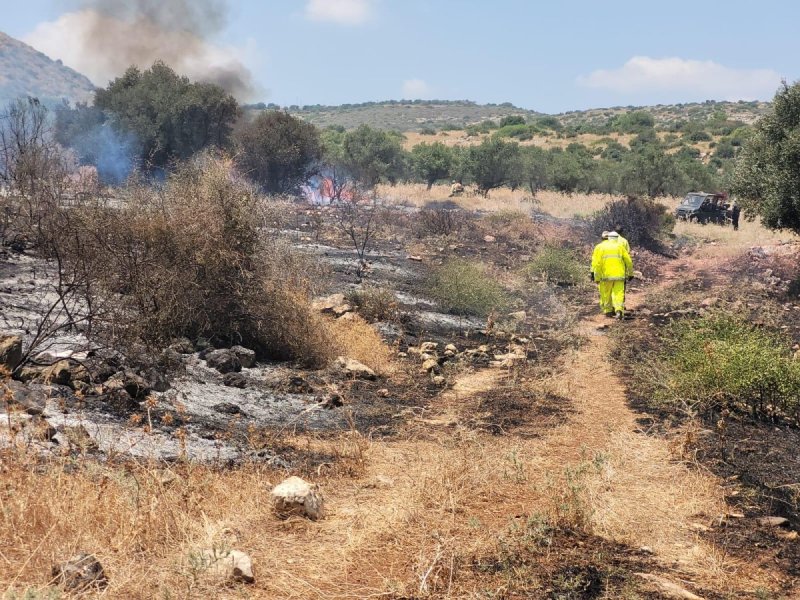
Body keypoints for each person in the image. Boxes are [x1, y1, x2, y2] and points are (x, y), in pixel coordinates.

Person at [591, 231, 633, 320]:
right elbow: (628, 261)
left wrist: (596, 276)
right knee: (618, 293)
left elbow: (597, 263)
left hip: (605, 275)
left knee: (606, 293)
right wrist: (630, 273)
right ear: (617, 238)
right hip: (619, 275)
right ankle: (619, 311)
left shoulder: (601, 247)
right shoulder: (620, 246)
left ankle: (608, 311)